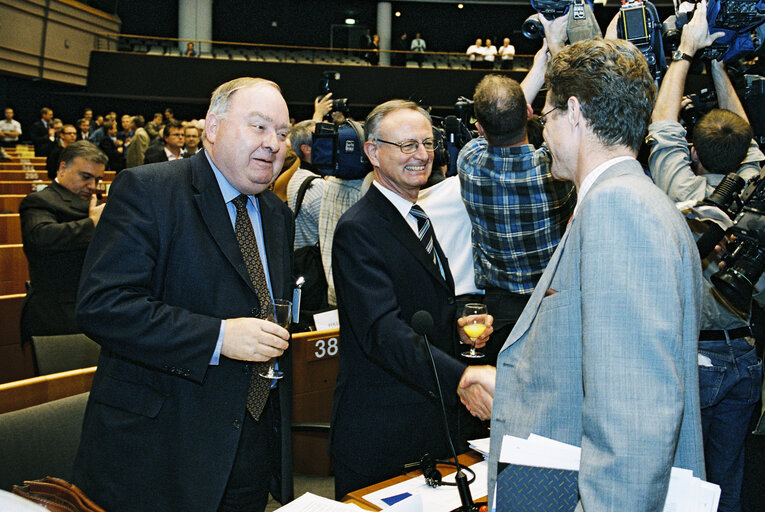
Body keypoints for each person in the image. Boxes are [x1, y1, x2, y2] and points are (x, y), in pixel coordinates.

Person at [460, 38, 706, 510]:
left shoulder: (619, 209)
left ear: (573, 112)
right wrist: (514, 384)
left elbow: (634, 417)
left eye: (546, 118)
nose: (543, 133)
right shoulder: (630, 199)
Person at [72, 77, 296, 512]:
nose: (273, 144)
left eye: (283, 133)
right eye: (259, 127)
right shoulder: (148, 189)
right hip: (161, 452)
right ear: (213, 127)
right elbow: (103, 305)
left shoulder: (277, 214)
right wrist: (218, 337)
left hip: (248, 448)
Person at [330, 99, 493, 499]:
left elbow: (416, 307)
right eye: (406, 146)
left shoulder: (416, 215)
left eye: (427, 142)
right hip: (384, 431)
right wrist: (462, 376)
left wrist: (456, 326)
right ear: (372, 152)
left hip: (431, 421)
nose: (421, 155)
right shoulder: (359, 229)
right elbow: (382, 332)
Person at [648, 4, 765, 510]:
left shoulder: (679, 185)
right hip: (745, 356)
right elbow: (743, 135)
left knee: (681, 479)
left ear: (692, 151)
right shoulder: (756, 181)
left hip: (690, 358)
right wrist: (718, 62)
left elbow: (661, 122)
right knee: (728, 474)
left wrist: (687, 51)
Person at [457, 38, 575, 365]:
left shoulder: (469, 160)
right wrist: (547, 57)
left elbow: (502, 115)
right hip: (553, 302)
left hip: (498, 310)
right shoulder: (556, 170)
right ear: (529, 112)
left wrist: (539, 66)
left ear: (479, 127)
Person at [19, 141, 107, 343]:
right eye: (85, 177)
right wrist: (92, 224)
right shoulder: (40, 201)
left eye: (97, 179)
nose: (92, 186)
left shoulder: (94, 204)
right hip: (58, 313)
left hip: (95, 306)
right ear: (62, 168)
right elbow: (40, 237)